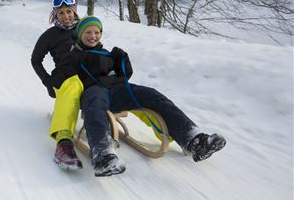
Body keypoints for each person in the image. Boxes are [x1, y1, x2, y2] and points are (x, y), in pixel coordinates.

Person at [61, 16, 226, 177]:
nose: (93, 36)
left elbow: (124, 75)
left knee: (151, 94)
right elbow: (62, 79)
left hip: (115, 91)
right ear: (80, 34)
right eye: (88, 32)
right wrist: (72, 62)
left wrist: (122, 60)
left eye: (96, 32)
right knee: (96, 104)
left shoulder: (105, 53)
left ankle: (193, 141)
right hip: (92, 92)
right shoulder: (73, 54)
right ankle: (103, 155)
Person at [31, 0, 84, 170]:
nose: (66, 16)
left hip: (87, 75)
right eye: (61, 13)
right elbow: (35, 59)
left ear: (75, 12)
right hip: (64, 77)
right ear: (55, 15)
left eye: (69, 11)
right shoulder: (50, 35)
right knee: (73, 86)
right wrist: (47, 81)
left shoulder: (84, 29)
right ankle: (63, 143)